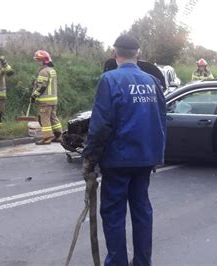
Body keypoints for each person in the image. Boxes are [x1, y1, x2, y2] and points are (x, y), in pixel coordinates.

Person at [82, 35, 166, 266]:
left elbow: (100, 125)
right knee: (142, 212)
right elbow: (160, 120)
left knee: (113, 214)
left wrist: (90, 157)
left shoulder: (110, 80)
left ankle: (117, 263)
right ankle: (142, 262)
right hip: (145, 159)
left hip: (118, 160)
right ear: (138, 54)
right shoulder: (152, 82)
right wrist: (157, 155)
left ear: (114, 53)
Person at [31, 50, 62, 145]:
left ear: (43, 61)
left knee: (45, 119)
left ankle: (47, 138)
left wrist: (34, 95)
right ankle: (59, 135)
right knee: (53, 117)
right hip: (53, 100)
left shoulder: (43, 72)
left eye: (38, 60)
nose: (37, 62)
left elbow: (42, 86)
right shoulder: (52, 70)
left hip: (44, 101)